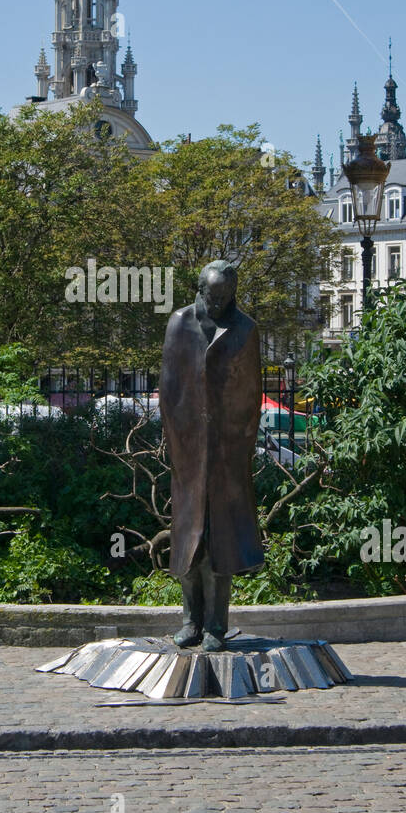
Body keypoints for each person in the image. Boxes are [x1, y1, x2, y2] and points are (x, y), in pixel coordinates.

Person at [159, 260, 266, 652]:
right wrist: (176, 447)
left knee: (222, 544)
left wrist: (242, 449)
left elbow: (252, 397)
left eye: (224, 296)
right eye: (212, 295)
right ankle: (190, 621)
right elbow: (168, 391)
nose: (218, 303)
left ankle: (216, 628)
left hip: (226, 455)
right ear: (199, 289)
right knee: (188, 544)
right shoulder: (179, 323)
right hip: (188, 455)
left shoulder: (245, 329)